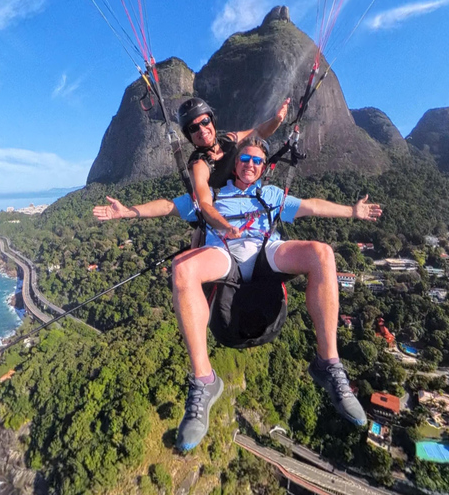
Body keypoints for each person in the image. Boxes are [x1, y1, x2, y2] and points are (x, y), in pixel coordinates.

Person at [93, 137, 383, 452]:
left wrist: (352, 211)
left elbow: (313, 205)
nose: (250, 165)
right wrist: (127, 213)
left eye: (258, 161)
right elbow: (167, 206)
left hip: (266, 254)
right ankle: (204, 380)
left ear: (264, 168)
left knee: (322, 254)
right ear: (236, 162)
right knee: (182, 268)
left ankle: (328, 364)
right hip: (224, 256)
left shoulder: (271, 195)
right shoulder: (213, 196)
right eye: (245, 159)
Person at [177, 97, 290, 239]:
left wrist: (277, 119)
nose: (202, 129)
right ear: (189, 135)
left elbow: (259, 133)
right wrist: (226, 227)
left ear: (212, 121)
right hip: (221, 216)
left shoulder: (228, 140)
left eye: (205, 122)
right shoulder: (198, 164)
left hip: (247, 205)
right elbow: (205, 205)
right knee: (199, 237)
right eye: (194, 128)